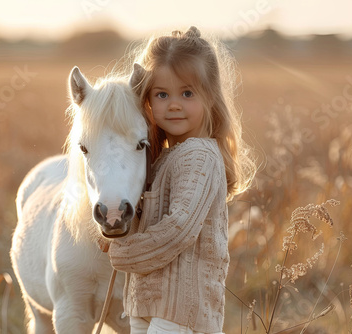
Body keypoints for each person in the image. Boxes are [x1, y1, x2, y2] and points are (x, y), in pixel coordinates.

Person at [108, 26, 257, 334]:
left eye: (187, 93)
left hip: (182, 310)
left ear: (210, 97)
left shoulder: (199, 156)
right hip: (150, 302)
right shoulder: (166, 157)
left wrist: (121, 252)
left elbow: (179, 230)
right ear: (148, 101)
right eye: (162, 94)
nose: (173, 104)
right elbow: (150, 220)